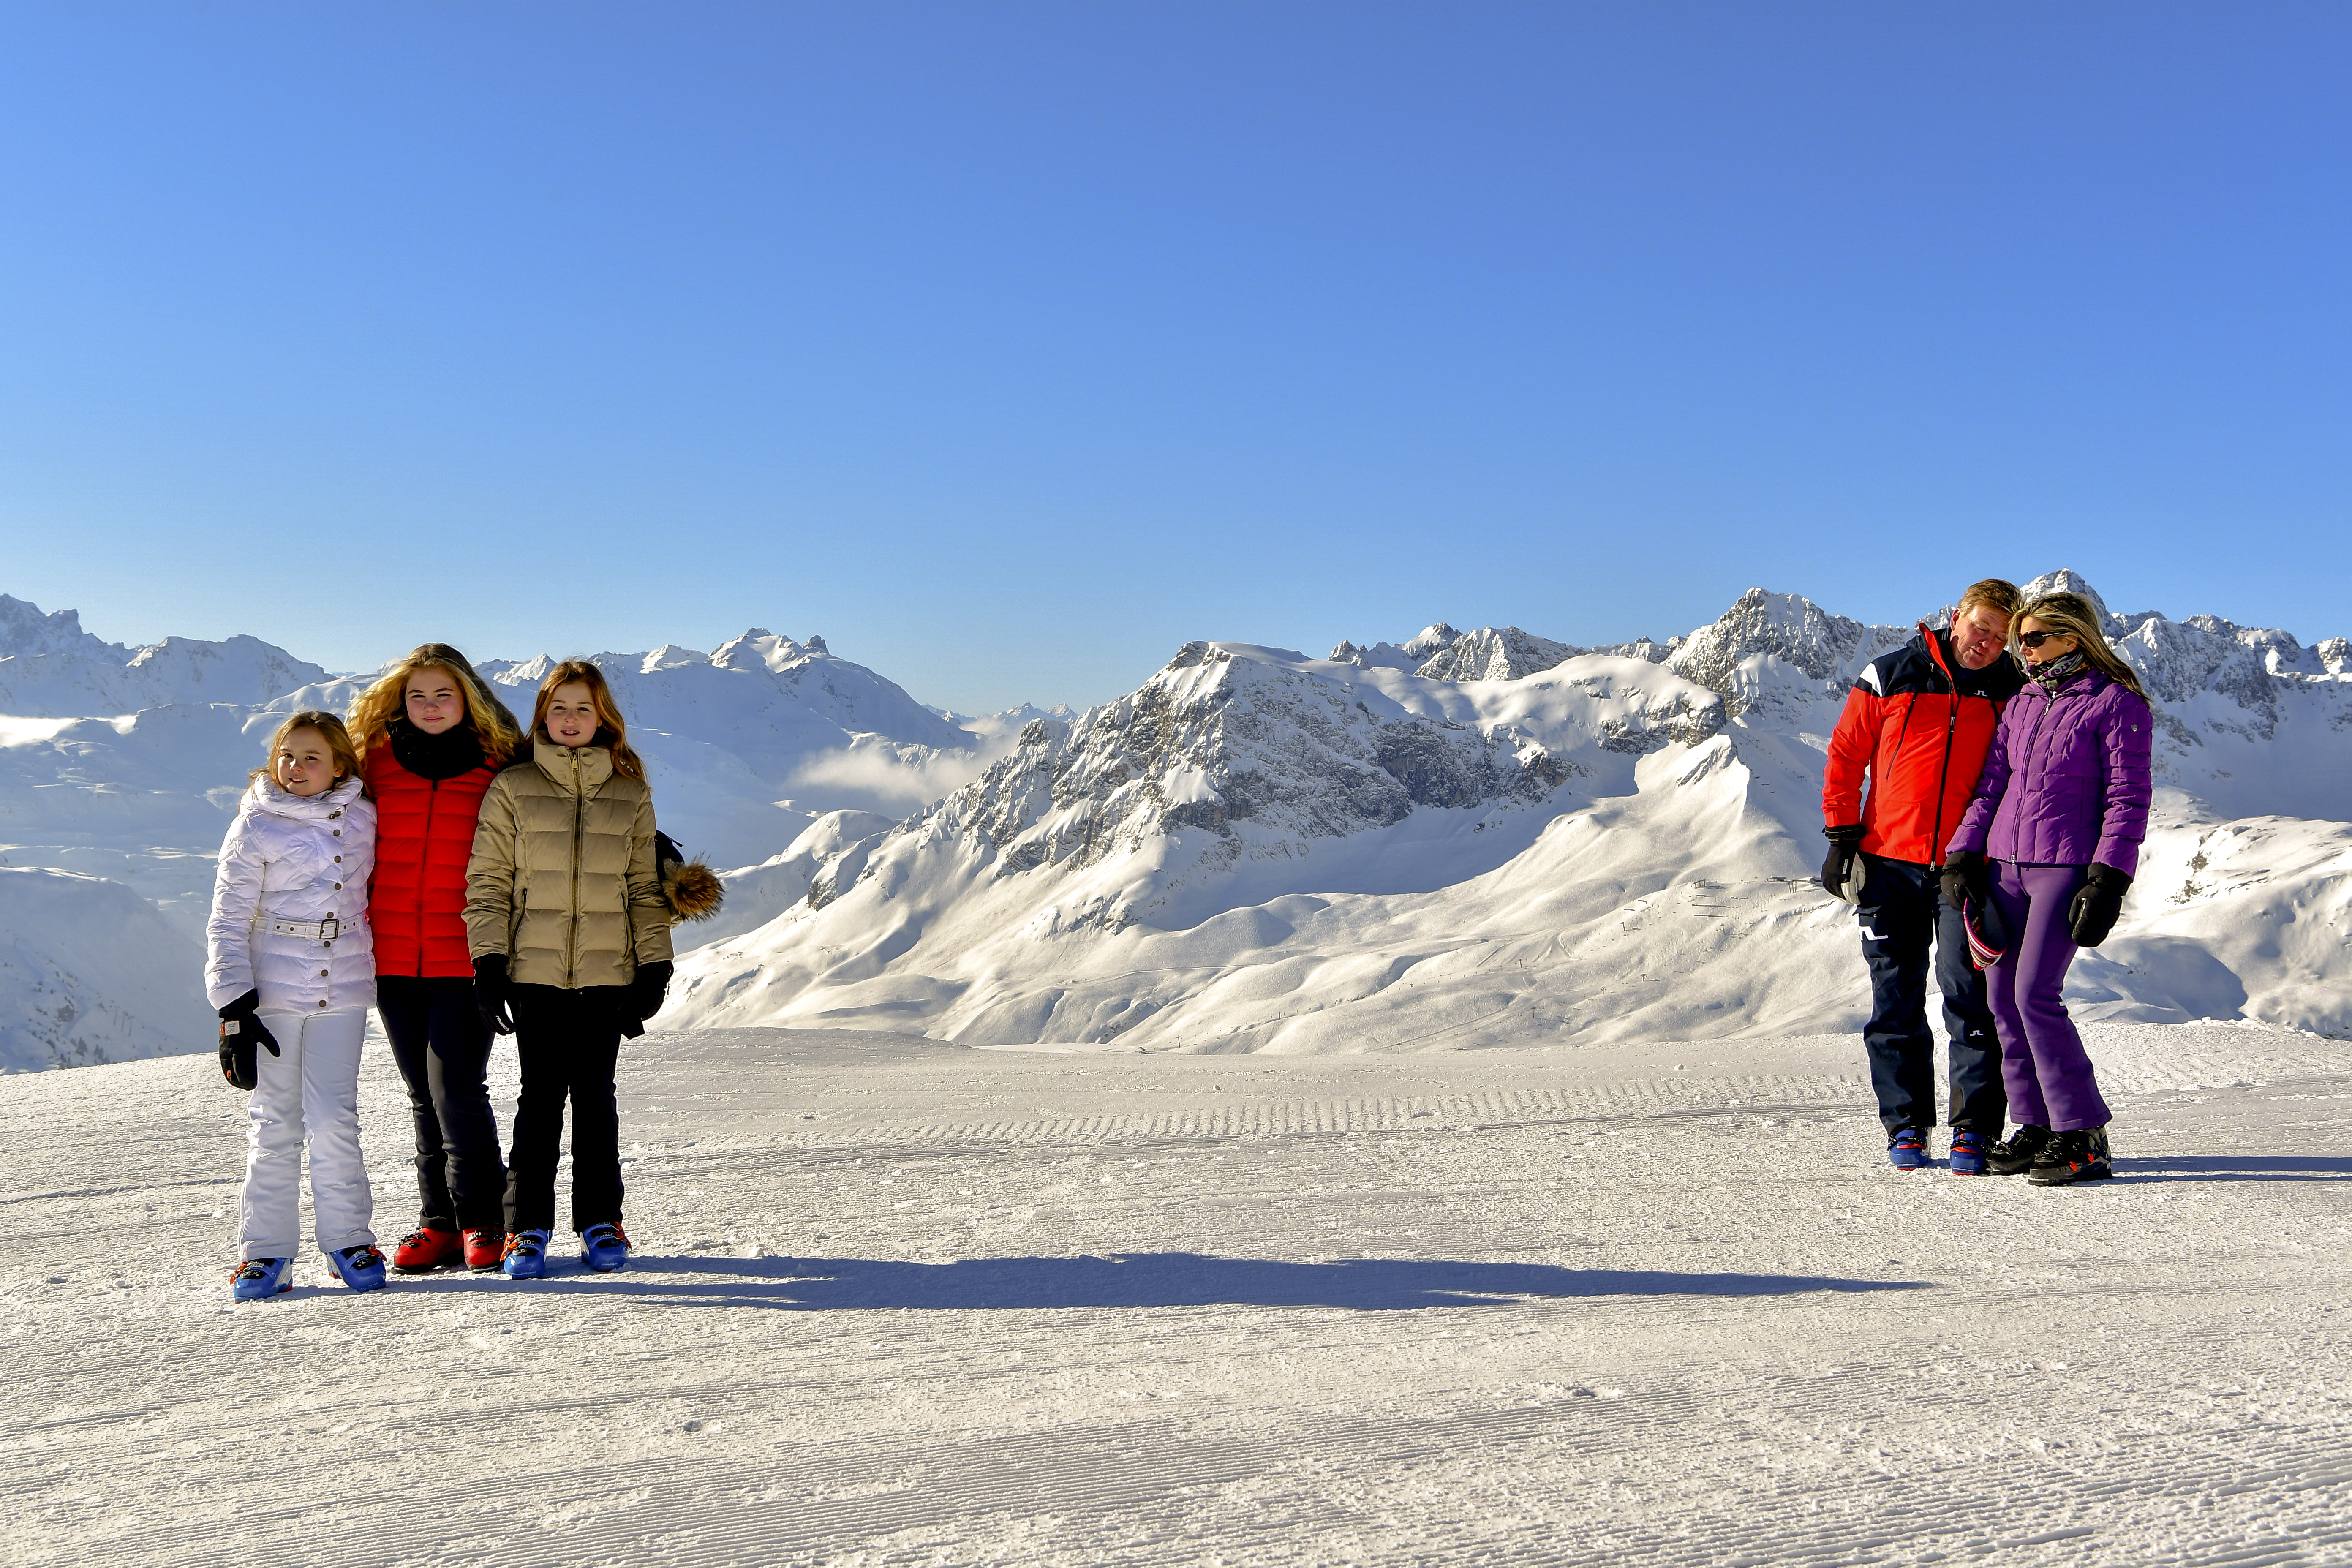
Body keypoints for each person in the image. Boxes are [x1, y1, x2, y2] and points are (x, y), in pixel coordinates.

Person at [465, 662, 675, 1280]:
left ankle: (600, 1221)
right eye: (560, 709)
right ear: (543, 717)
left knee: (596, 1101)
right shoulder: (514, 787)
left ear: (603, 717)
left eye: (584, 709)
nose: (572, 720)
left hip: (607, 975)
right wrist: (490, 963)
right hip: (534, 973)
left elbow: (643, 886)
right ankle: (525, 1228)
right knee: (539, 1103)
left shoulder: (630, 794)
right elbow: (489, 882)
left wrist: (654, 965)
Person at [1942, 591, 2151, 1186]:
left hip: (2064, 867)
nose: (2023, 652)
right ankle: (2034, 1125)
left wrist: (2109, 879)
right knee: (2002, 1000)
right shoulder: (2025, 703)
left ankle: (2082, 1131)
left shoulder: (2116, 704)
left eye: (2033, 640)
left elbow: (2129, 799)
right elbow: (1992, 786)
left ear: (2073, 639)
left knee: (2036, 995)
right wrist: (1963, 853)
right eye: (2019, 642)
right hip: (2004, 866)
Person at [1821, 579, 2025, 1173]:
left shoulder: (2013, 691)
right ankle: (1905, 1124)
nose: (1985, 642)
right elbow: (1846, 754)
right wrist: (1842, 838)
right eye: (1979, 626)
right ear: (1955, 616)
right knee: (1896, 1001)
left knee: (1971, 998)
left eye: (1999, 635)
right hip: (1888, 865)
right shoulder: (1891, 675)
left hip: (1968, 872)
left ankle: (1975, 1130)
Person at [348, 645, 525, 1274]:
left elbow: (567, 810)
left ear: (467, 699)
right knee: (423, 1093)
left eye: (442, 695)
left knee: (457, 1089)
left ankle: (486, 1221)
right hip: (392, 955)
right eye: (417, 696)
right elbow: (312, 800)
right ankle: (439, 1224)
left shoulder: (499, 764)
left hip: (468, 956)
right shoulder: (373, 764)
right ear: (400, 701)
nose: (429, 707)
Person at [206, 712, 387, 1300]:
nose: (297, 767)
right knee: (275, 1121)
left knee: (336, 1117)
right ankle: (266, 1253)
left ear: (339, 765)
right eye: (288, 754)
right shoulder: (254, 825)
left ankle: (348, 1240)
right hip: (274, 991)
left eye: (312, 757)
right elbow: (229, 919)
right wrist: (234, 1008)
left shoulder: (363, 816)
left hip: (345, 984)